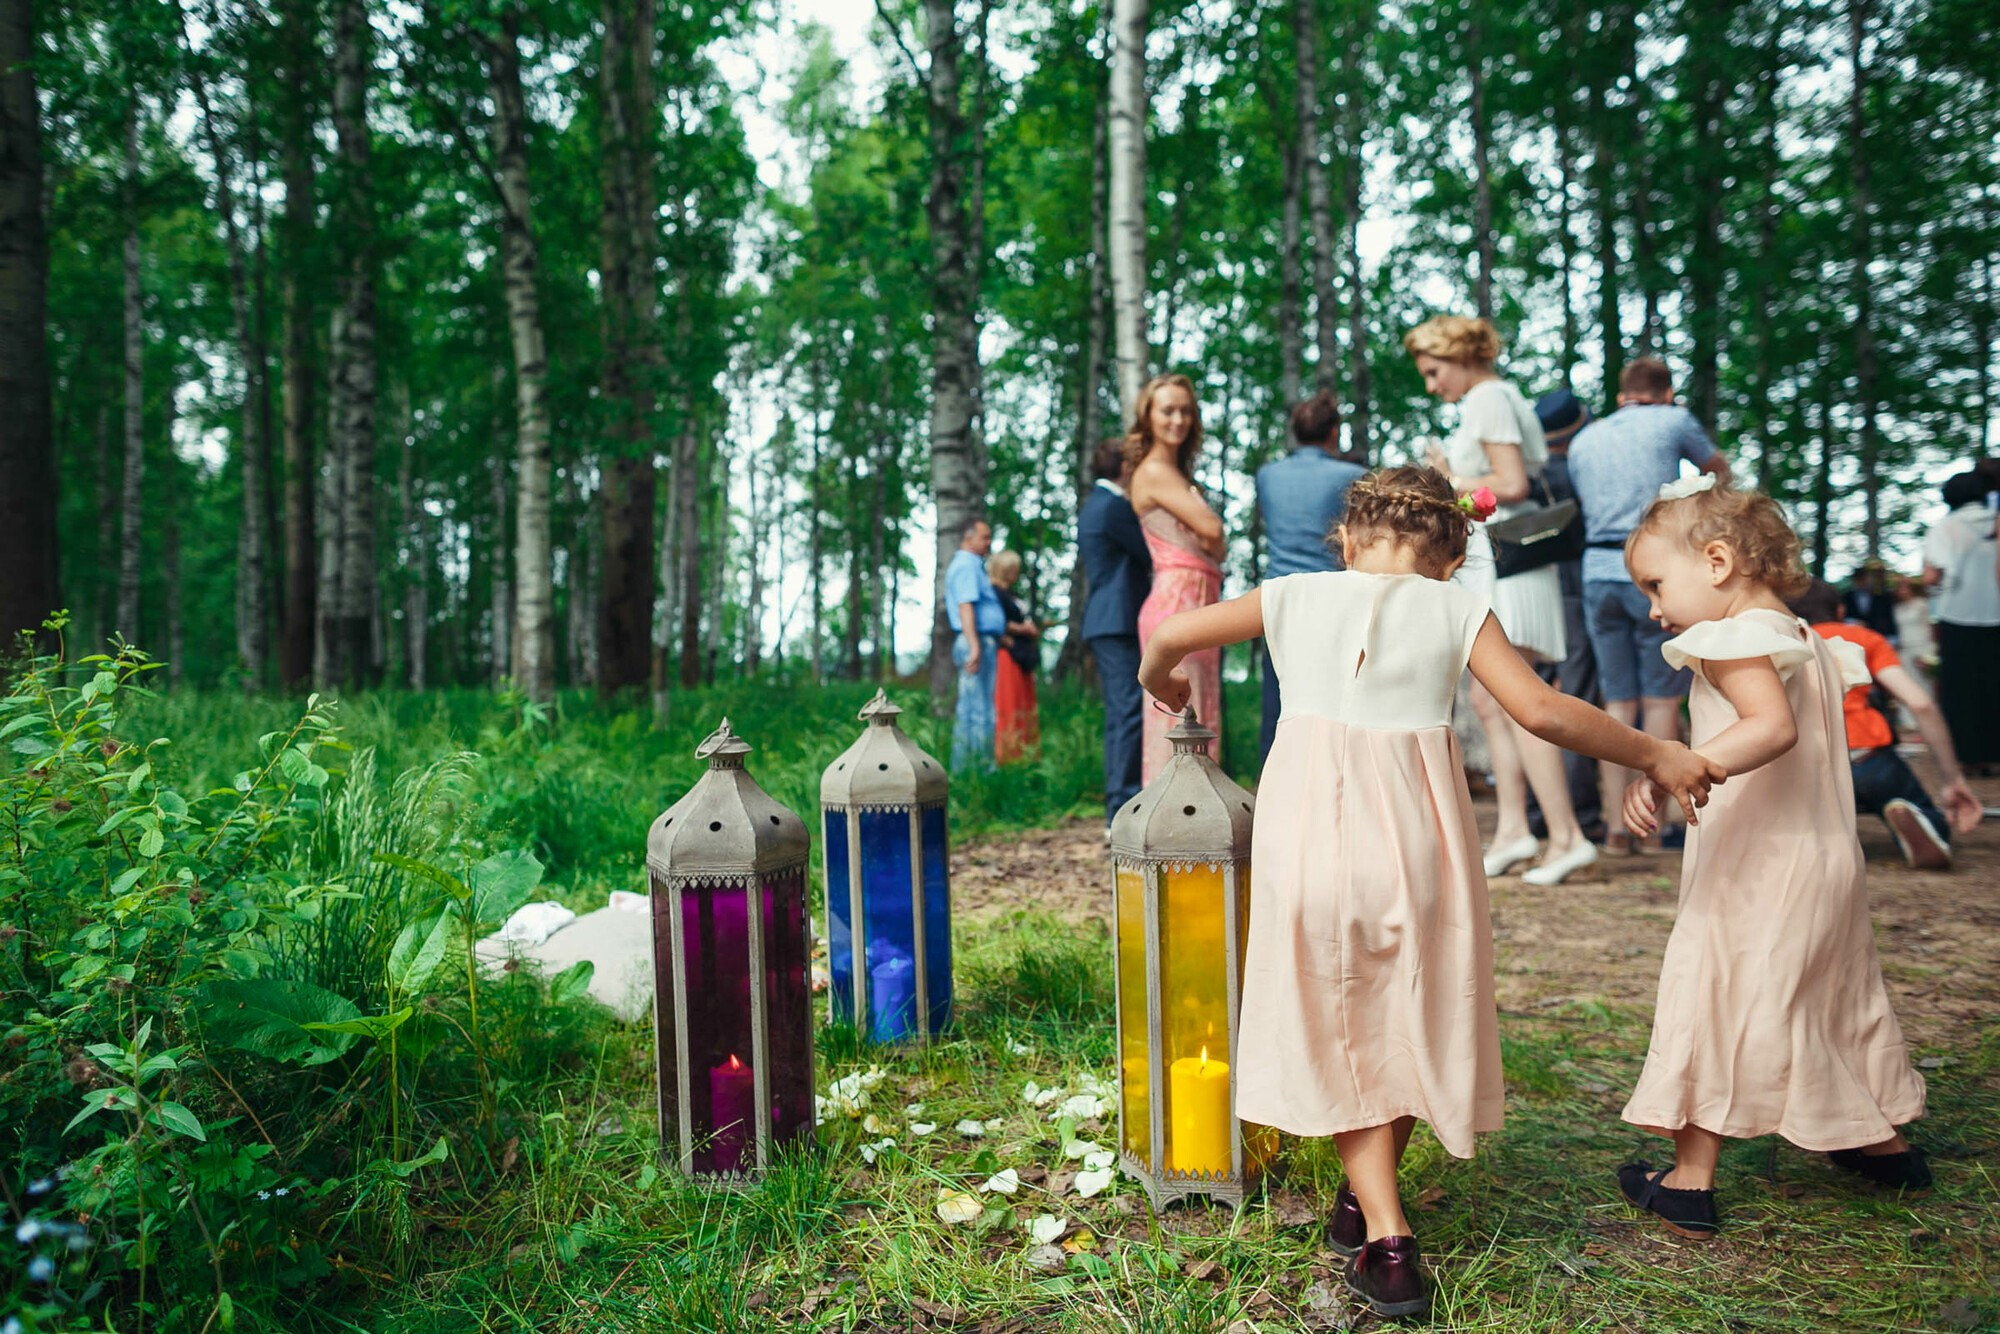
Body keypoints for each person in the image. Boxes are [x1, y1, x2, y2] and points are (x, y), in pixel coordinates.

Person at [1136, 465, 1721, 1319]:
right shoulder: (1458, 609)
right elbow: (1543, 711)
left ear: (1347, 541)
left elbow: (1170, 635)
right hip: (1416, 847)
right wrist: (1657, 753)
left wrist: (1165, 684)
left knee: (1339, 1021)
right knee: (1404, 1013)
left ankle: (1386, 1237)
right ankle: (1370, 1206)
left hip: (1308, 848)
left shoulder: (1291, 595)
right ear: (1449, 559)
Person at [1616, 475, 1929, 1241]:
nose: (1653, 609)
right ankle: (1881, 1145)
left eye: (1656, 585)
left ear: (1717, 561)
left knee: (1716, 993)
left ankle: (1689, 1182)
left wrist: (1677, 765)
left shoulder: (1733, 637)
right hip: (1824, 857)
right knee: (1821, 994)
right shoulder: (1806, 637)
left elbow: (1770, 726)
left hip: (1759, 865)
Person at [1405, 315, 1594, 886]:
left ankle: (1567, 836)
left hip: (1511, 563)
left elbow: (1510, 485)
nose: (1432, 385)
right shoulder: (1494, 397)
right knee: (1490, 701)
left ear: (1460, 356)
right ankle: (1515, 830)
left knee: (1518, 696)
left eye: (1434, 371)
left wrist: (1444, 478)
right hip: (1497, 562)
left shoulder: (1487, 397)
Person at [1568, 356, 1730, 853]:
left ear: (1622, 396)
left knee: (1617, 701)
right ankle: (1655, 828)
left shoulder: (1584, 439)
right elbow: (1719, 470)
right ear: (1667, 393)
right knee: (1660, 699)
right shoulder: (1674, 420)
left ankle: (1618, 829)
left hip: (1596, 571)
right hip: (1653, 573)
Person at [1790, 579, 1982, 868]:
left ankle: (1806, 831)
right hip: (1867, 758)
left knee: (1798, 804)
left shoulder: (1783, 644)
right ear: (1841, 610)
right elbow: (1920, 704)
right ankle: (1922, 820)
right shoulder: (1864, 639)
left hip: (1805, 766)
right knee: (1910, 801)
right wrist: (1953, 780)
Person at [1254, 390, 1366, 763]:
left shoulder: (1267, 475)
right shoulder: (1353, 476)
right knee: (1334, 702)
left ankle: (1272, 782)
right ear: (1334, 432)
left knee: (1277, 701)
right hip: (1334, 599)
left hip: (1277, 597)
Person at [1128, 372, 1225, 783]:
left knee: (1195, 716)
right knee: (1183, 721)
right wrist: (1211, 541)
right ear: (1148, 416)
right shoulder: (1154, 471)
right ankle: (1174, 818)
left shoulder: (1174, 473)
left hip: (1192, 596)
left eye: (1186, 411)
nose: (1178, 420)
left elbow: (1214, 540)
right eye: (1167, 410)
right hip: (1178, 598)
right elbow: (1213, 531)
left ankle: (1194, 815)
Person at [1531, 387, 1604, 840]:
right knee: (1577, 693)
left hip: (1533, 587)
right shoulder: (1582, 469)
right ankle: (1580, 812)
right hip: (1573, 587)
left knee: (1531, 692)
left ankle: (1538, 809)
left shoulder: (1527, 471)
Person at [1078, 438, 1152, 824]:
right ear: (1124, 468)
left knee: (1119, 714)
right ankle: (1122, 806)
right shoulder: (1114, 507)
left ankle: (1117, 804)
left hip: (1105, 619)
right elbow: (1148, 551)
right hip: (1118, 618)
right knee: (1128, 712)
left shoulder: (1095, 504)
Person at [1921, 471, 2000, 773]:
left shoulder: (1945, 527)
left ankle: (1967, 757)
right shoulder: (1995, 521)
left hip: (1957, 616)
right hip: (1996, 616)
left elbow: (1934, 575)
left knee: (1961, 690)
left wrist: (1931, 588)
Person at [944, 517, 1005, 771]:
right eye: (985, 537)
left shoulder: (971, 565)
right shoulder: (967, 565)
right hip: (975, 641)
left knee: (971, 708)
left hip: (978, 640)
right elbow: (965, 606)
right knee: (980, 710)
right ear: (969, 538)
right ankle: (981, 770)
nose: (989, 542)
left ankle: (964, 769)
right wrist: (975, 646)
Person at [987, 549, 1041, 764]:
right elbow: (996, 622)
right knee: (1009, 704)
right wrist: (1023, 629)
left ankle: (1026, 753)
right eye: (1013, 569)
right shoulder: (994, 593)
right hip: (1008, 656)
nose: (1017, 573)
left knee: (1024, 705)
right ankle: (1008, 755)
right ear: (1004, 569)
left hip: (1022, 656)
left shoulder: (1010, 594)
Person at [1842, 559, 1900, 641]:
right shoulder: (1846, 597)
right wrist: (1852, 622)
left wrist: (1892, 637)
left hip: (1879, 637)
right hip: (1854, 638)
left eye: (1864, 578)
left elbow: (1889, 618)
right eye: (1859, 579)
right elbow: (1842, 617)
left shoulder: (1882, 596)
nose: (1862, 582)